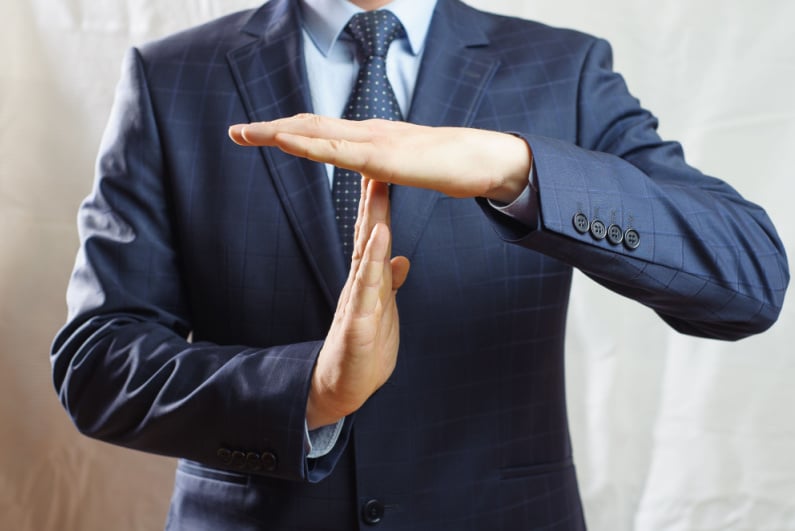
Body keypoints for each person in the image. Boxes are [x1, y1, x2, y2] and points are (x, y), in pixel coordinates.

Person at [51, 0, 788, 529]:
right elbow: (95, 359)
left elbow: (747, 279)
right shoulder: (172, 76)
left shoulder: (563, 69)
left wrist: (518, 171)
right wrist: (309, 391)